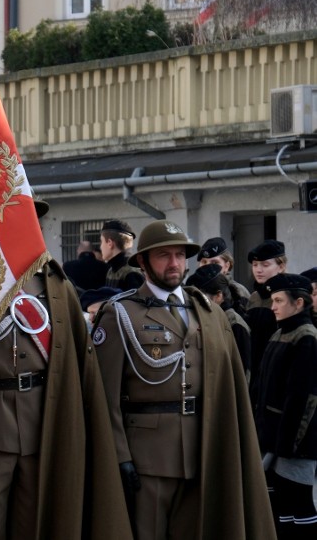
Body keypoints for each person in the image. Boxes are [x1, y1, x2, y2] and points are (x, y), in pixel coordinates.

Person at [0, 199, 132, 540]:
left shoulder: (54, 283)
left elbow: (77, 355)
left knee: (34, 526)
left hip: (41, 425)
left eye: (30, 219)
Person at [93, 220, 275, 540]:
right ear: (143, 262)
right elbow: (104, 397)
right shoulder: (120, 314)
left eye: (180, 255)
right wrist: (119, 456)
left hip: (202, 450)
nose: (175, 263)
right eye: (164, 255)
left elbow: (227, 385)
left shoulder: (207, 312)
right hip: (147, 456)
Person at [252, 273, 317, 540]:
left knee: (299, 503)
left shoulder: (307, 337)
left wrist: (288, 444)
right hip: (273, 438)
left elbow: (303, 398)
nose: (273, 306)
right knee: (280, 506)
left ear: (299, 303)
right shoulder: (281, 332)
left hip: (294, 444)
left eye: (279, 300)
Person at [186, 263, 251, 380]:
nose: (195, 303)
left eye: (201, 298)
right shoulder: (204, 319)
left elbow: (242, 373)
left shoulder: (235, 324)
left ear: (219, 296)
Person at [246, 239, 287, 386]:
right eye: (255, 265)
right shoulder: (254, 297)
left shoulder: (288, 297)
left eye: (265, 265)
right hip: (254, 370)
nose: (258, 270)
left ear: (281, 266)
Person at [197, 236, 250, 316]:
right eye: (204, 262)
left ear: (227, 266)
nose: (208, 267)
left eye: (215, 263)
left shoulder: (238, 291)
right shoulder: (193, 289)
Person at [100, 219, 144, 291]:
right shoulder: (112, 270)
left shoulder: (132, 273)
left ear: (109, 243)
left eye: (101, 241)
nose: (100, 247)